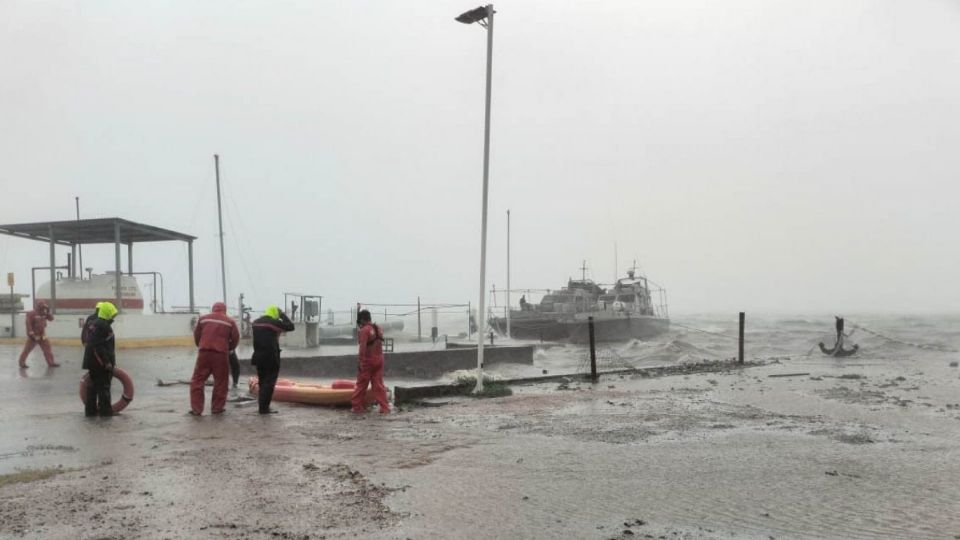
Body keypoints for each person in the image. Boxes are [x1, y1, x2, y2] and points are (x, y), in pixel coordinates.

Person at [189, 302, 240, 416]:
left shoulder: (203, 319)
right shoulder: (230, 321)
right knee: (221, 381)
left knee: (197, 380)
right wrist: (228, 348)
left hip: (204, 353)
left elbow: (197, 336)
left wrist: (201, 346)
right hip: (221, 355)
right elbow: (236, 338)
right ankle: (217, 408)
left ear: (213, 309)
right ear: (224, 310)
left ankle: (196, 409)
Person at [251, 305, 294, 414]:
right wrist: (282, 314)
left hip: (258, 356)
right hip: (271, 357)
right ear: (275, 313)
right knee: (269, 383)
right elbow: (291, 326)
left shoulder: (256, 322)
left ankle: (262, 407)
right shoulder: (273, 323)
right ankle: (264, 409)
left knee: (262, 382)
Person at [351, 309, 390, 414]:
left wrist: (360, 362)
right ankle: (385, 407)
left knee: (361, 384)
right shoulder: (378, 328)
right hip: (380, 359)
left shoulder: (364, 330)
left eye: (359, 321)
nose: (359, 324)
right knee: (378, 385)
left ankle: (357, 407)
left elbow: (362, 347)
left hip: (368, 361)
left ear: (363, 320)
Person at [82, 302, 118, 417]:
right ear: (107, 312)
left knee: (92, 389)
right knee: (104, 390)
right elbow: (98, 346)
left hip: (92, 363)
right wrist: (106, 363)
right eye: (112, 314)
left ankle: (90, 413)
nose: (113, 317)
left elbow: (90, 342)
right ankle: (106, 415)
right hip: (100, 364)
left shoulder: (94, 323)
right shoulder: (103, 326)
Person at [18, 300, 59, 368]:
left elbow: (51, 319)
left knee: (47, 349)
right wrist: (31, 334)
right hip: (34, 336)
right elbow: (28, 324)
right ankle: (22, 363)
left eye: (44, 307)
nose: (43, 308)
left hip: (42, 335)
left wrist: (48, 312)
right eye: (42, 307)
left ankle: (51, 363)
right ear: (38, 306)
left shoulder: (44, 313)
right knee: (27, 350)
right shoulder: (32, 313)